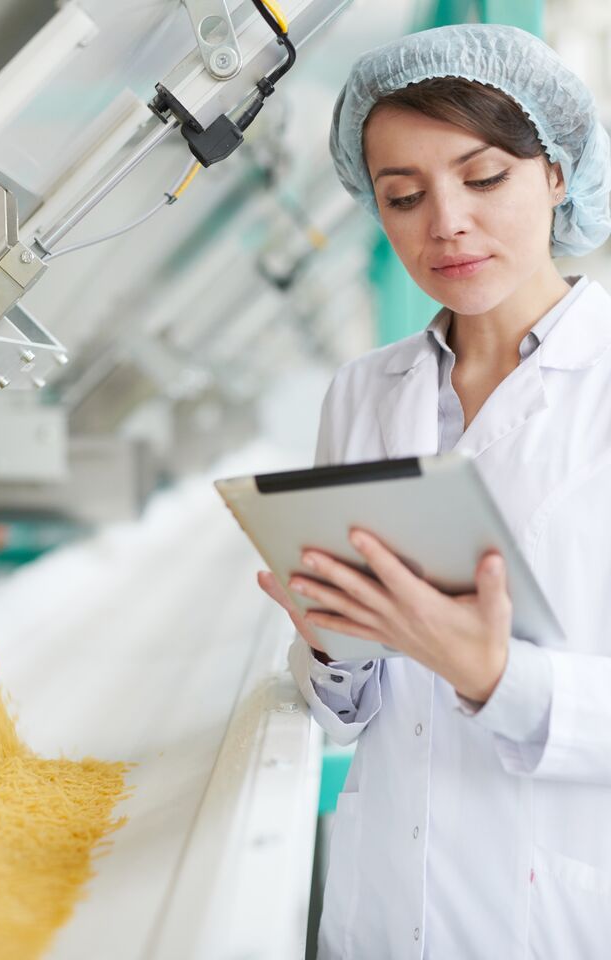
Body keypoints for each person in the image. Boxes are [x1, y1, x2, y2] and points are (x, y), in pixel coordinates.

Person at [256, 23, 611, 960]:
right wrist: (331, 645)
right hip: (382, 916)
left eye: (484, 178)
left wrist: (497, 679)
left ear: (559, 174)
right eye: (402, 196)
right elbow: (351, 711)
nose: (444, 222)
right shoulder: (364, 392)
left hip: (564, 914)